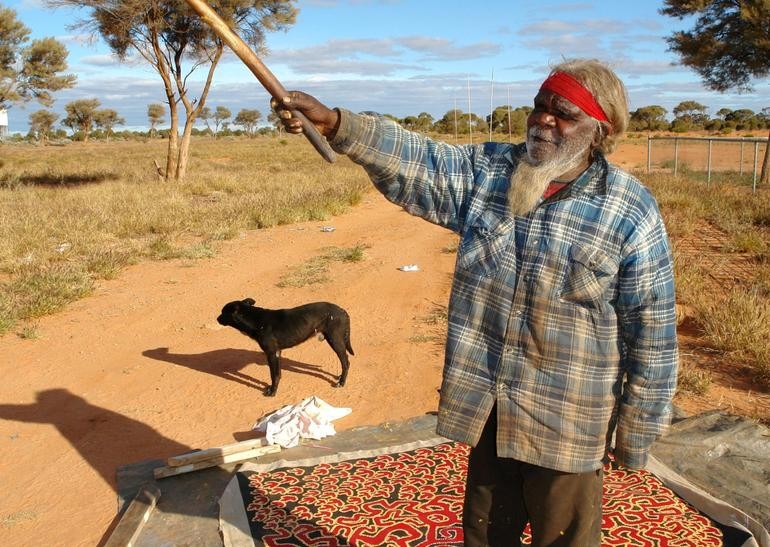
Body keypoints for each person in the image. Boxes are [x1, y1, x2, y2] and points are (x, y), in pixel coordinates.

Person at [272, 58, 678, 547]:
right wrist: (336, 123)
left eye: (563, 113)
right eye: (539, 106)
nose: (543, 120)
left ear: (599, 129)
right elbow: (419, 159)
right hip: (492, 409)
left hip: (570, 422)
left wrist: (634, 435)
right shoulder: (491, 173)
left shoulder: (630, 210)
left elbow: (652, 335)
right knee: (485, 536)